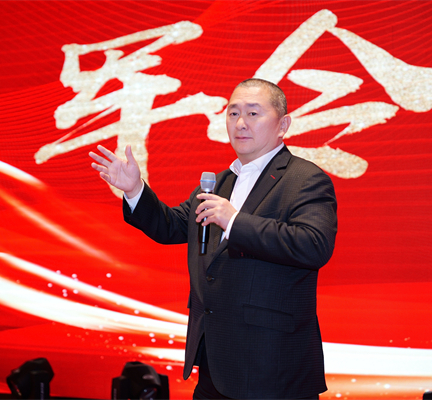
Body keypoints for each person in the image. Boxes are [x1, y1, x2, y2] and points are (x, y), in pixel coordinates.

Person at [89, 78, 337, 399]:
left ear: (283, 125)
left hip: (271, 366)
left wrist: (233, 221)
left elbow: (313, 245)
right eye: (233, 113)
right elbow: (171, 226)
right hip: (214, 363)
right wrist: (135, 190)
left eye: (253, 113)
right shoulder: (219, 184)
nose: (240, 123)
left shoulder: (305, 179)